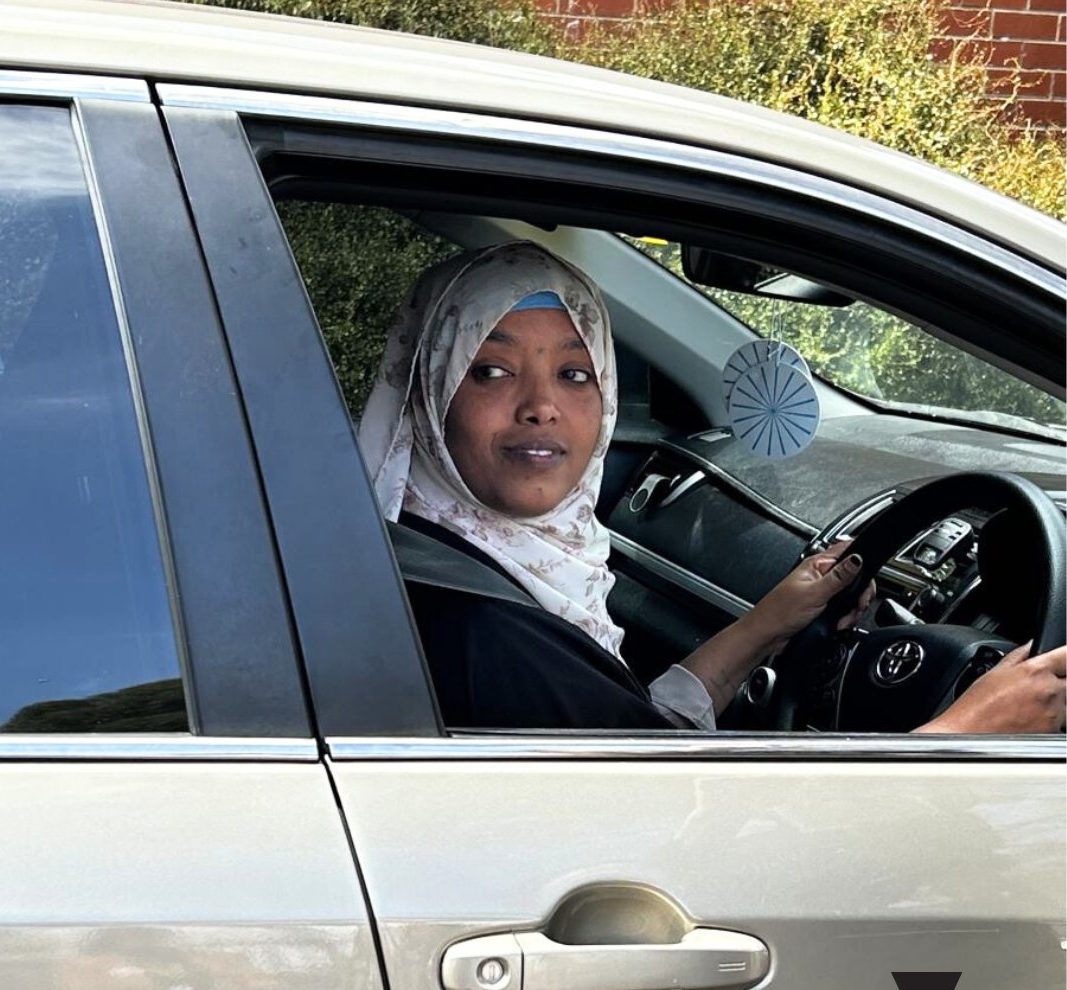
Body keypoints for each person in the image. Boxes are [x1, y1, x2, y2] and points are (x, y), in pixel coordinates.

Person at [360, 240, 1066, 733]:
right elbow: (683, 846)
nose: (541, 406)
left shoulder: (449, 560)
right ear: (431, 393)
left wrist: (770, 623)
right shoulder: (485, 633)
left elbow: (633, 739)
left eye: (575, 375)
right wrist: (969, 726)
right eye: (491, 370)